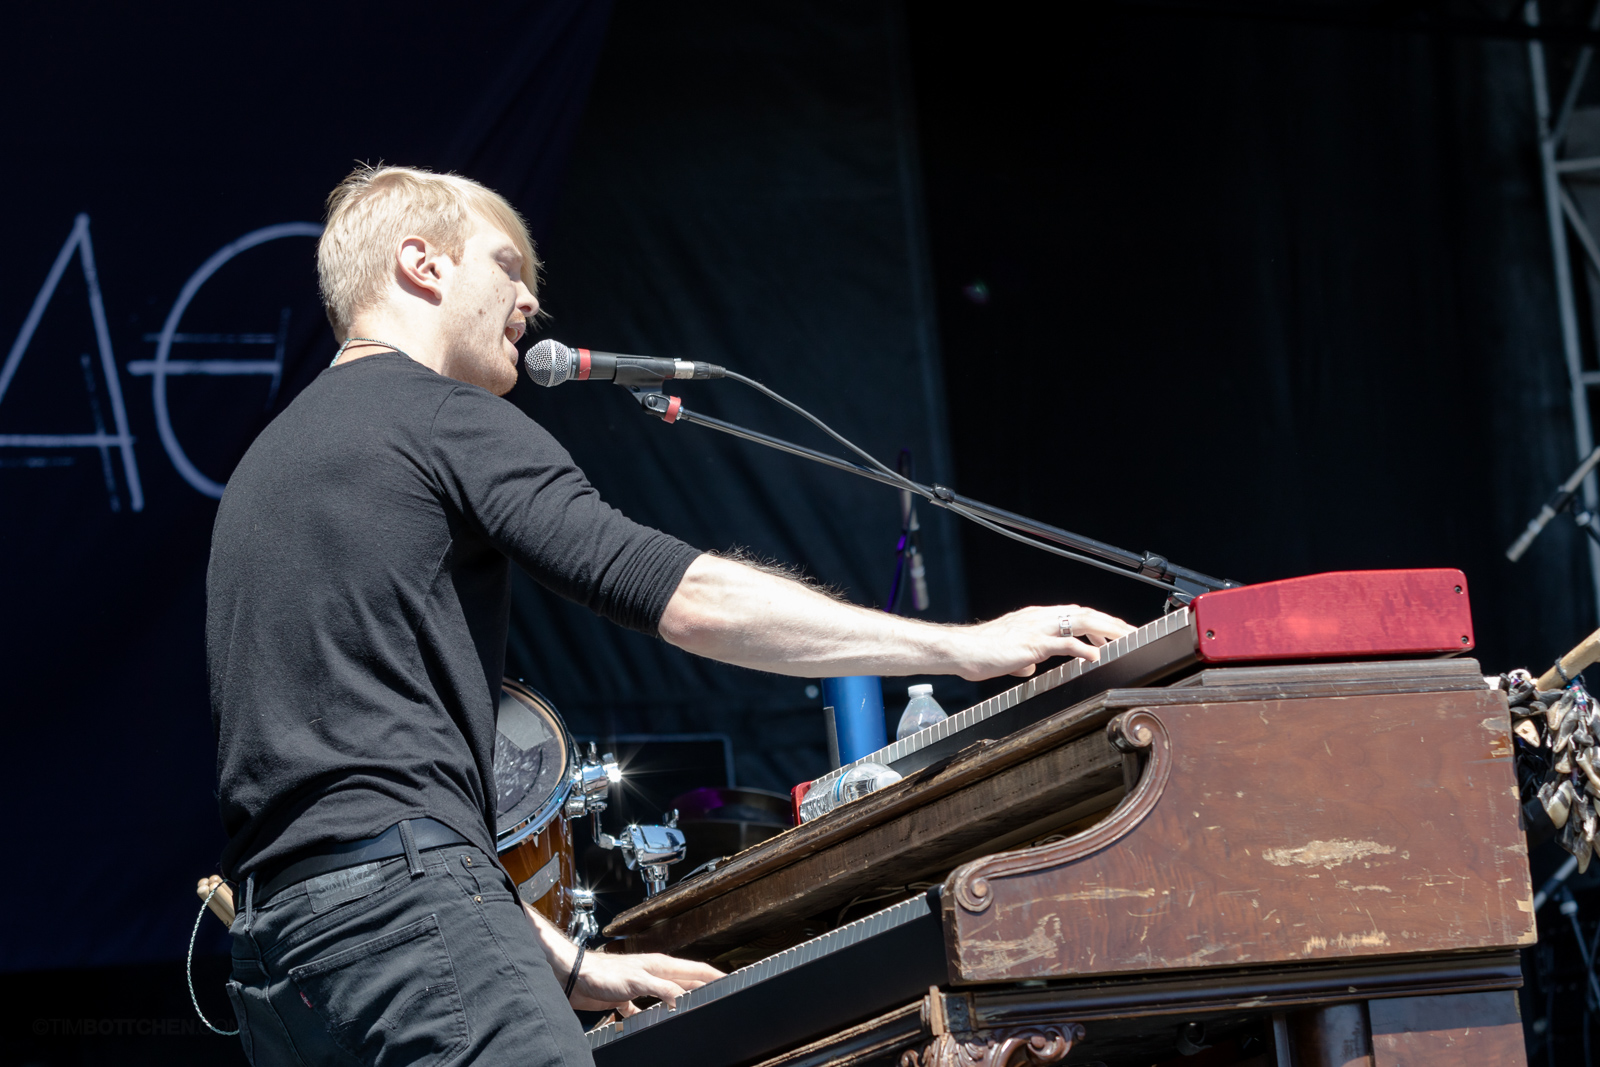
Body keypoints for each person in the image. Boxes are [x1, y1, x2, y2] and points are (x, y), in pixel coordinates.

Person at [206, 163, 1133, 1067]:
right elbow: (683, 596)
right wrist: (967, 647)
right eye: (507, 266)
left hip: (282, 961)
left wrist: (568, 962)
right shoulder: (439, 417)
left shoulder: (261, 471)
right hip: (412, 930)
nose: (531, 302)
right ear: (423, 263)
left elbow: (347, 812)